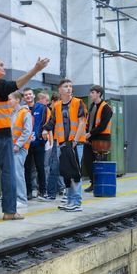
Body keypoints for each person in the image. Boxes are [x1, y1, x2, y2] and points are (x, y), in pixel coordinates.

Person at [0, 56, 50, 221]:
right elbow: (17, 84)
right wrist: (36, 69)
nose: (4, 67)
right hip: (1, 134)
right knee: (8, 172)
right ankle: (9, 211)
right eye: (1, 65)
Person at [53, 78, 87, 212]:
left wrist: (75, 140)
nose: (69, 88)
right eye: (66, 86)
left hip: (75, 144)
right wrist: (45, 130)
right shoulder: (57, 106)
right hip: (62, 143)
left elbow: (82, 123)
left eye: (70, 86)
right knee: (66, 173)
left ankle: (77, 202)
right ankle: (70, 200)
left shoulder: (78, 103)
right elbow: (53, 122)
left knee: (75, 172)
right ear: (60, 90)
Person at [84, 85, 113, 192]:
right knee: (88, 161)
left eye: (92, 92)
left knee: (100, 163)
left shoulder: (106, 108)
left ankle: (101, 184)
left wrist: (90, 133)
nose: (90, 94)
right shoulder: (92, 106)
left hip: (102, 139)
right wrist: (86, 133)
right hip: (90, 138)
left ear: (99, 94)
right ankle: (93, 183)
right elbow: (88, 123)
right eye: (90, 92)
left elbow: (102, 126)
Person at [23, 89, 52, 201]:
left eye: (30, 94)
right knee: (27, 169)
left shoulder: (42, 108)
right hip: (26, 144)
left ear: (33, 96)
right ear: (23, 98)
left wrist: (45, 130)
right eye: (26, 95)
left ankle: (43, 191)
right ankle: (28, 192)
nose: (28, 96)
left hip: (39, 142)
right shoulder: (22, 110)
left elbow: (50, 121)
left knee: (40, 167)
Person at [9, 91, 33, 209]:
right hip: (12, 147)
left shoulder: (25, 113)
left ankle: (22, 200)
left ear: (17, 100)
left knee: (18, 173)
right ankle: (15, 198)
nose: (8, 101)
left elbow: (27, 131)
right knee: (14, 174)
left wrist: (18, 145)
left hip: (20, 148)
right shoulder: (12, 113)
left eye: (10, 99)